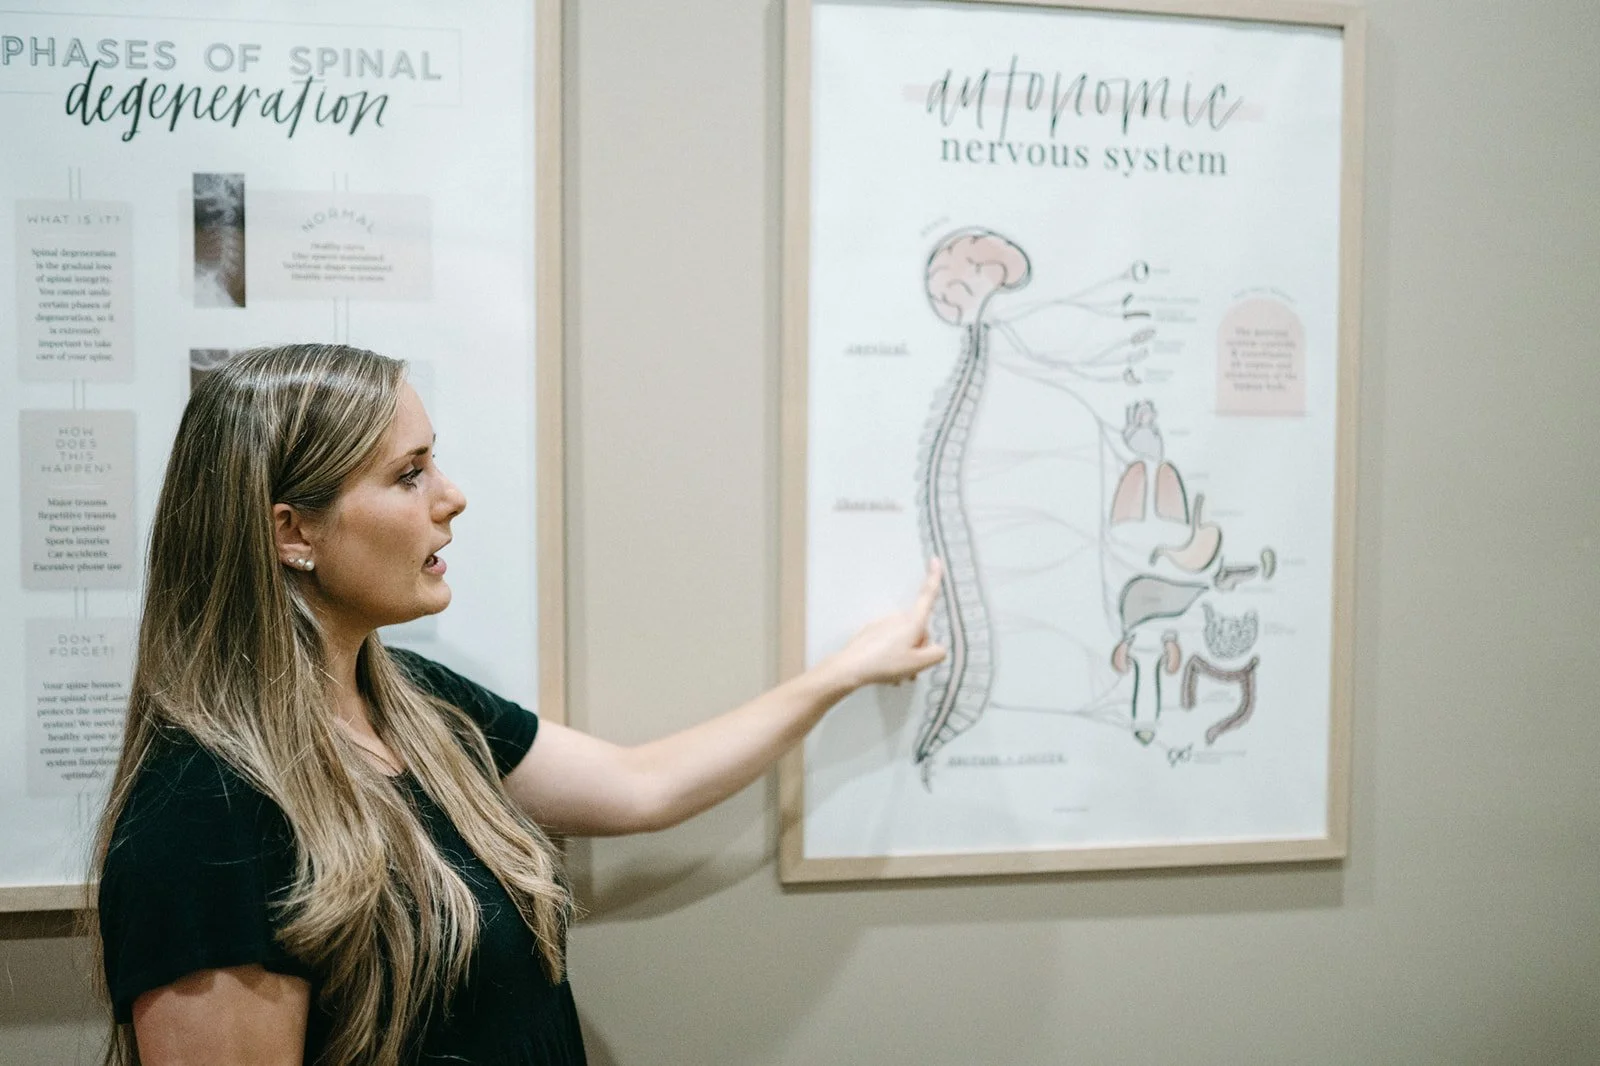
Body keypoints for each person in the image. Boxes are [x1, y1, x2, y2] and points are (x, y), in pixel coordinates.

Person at [91, 343, 945, 1066]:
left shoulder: (418, 706)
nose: (450, 496)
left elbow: (639, 785)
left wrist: (842, 674)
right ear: (292, 533)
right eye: (409, 473)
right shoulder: (201, 819)